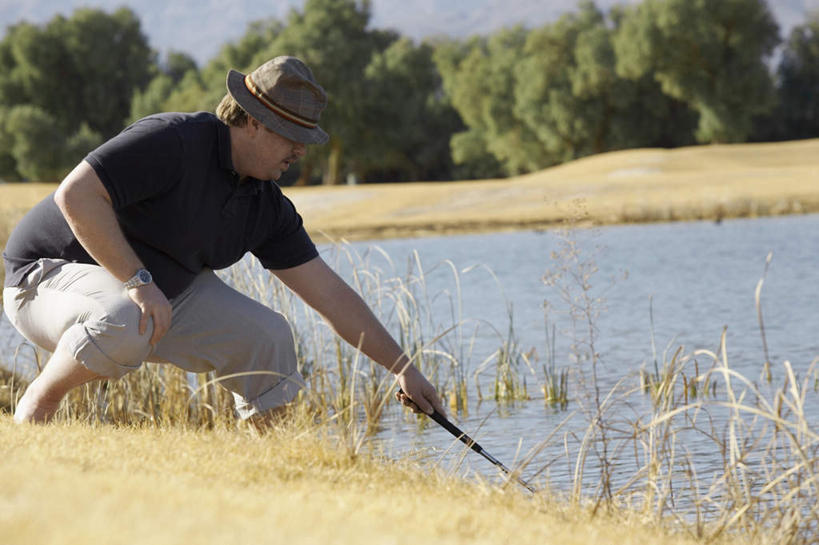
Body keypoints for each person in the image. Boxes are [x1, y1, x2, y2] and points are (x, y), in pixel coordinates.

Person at [1, 55, 444, 424]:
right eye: (292, 136)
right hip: (42, 280)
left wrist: (403, 369)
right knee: (125, 315)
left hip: (150, 299)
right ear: (252, 121)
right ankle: (41, 401)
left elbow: (330, 295)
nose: (301, 151)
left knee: (268, 337)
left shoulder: (266, 205)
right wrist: (139, 281)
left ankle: (274, 473)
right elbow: (75, 195)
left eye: (307, 139)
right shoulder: (173, 140)